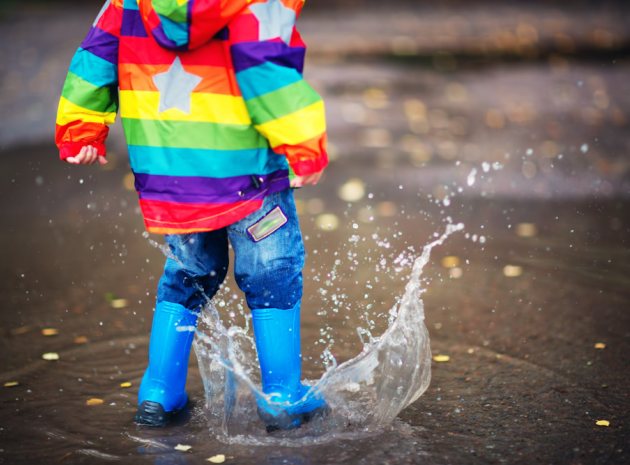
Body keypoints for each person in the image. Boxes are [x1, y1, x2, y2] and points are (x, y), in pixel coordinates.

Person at [55, 0, 329, 431]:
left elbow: (96, 56)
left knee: (189, 271)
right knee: (271, 272)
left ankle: (159, 392)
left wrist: (81, 128)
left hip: (173, 180)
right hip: (249, 175)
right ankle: (281, 397)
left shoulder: (126, 4)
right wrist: (304, 143)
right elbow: (266, 69)